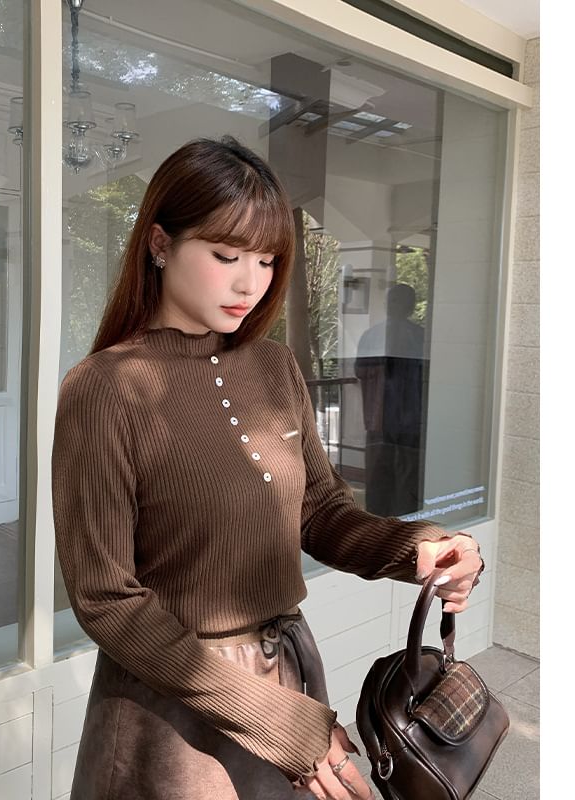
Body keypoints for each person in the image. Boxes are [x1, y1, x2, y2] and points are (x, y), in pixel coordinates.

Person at [51, 135, 484, 800]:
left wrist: (419, 550)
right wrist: (280, 722)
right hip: (171, 713)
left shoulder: (274, 366)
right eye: (226, 255)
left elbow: (320, 512)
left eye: (265, 258)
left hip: (287, 673)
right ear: (160, 243)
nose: (249, 283)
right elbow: (106, 600)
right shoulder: (105, 387)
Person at [355, 283, 426, 517]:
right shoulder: (419, 336)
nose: (393, 305)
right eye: (392, 300)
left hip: (392, 418)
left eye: (396, 300)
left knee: (389, 470)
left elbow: (360, 370)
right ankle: (393, 520)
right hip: (398, 418)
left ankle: (384, 519)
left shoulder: (375, 335)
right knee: (399, 471)